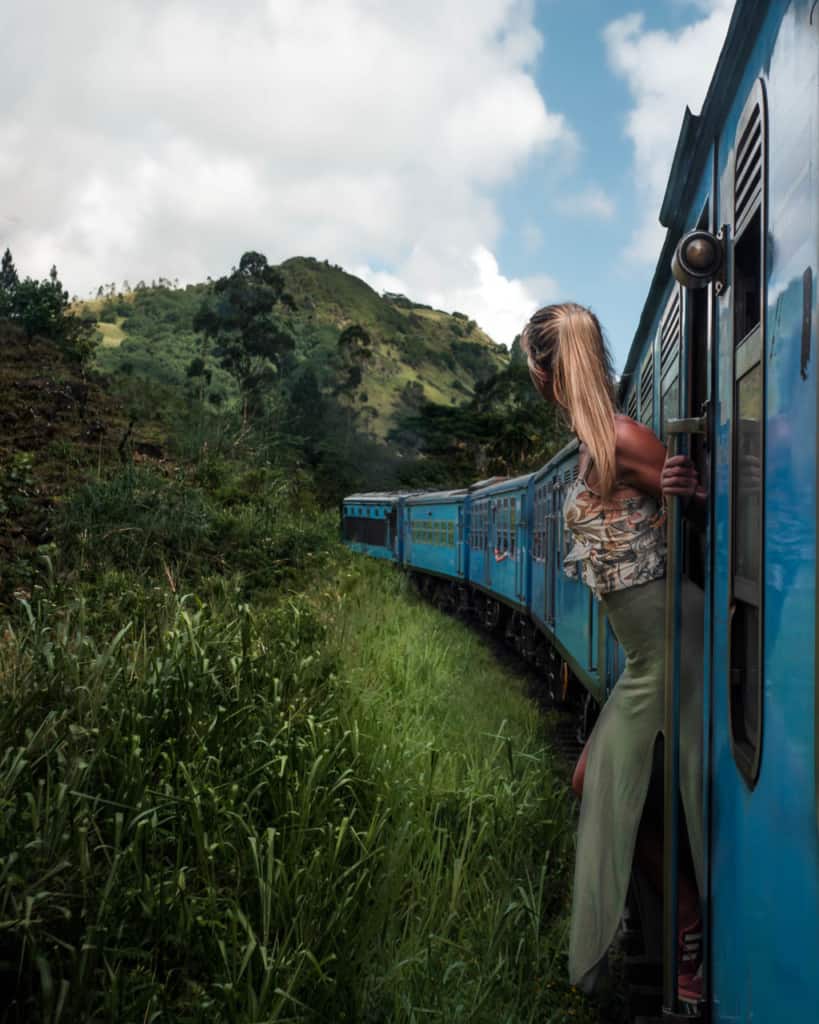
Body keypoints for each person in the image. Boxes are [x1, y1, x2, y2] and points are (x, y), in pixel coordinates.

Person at [520, 302, 706, 1004]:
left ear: (543, 372)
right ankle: (686, 921)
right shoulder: (596, 442)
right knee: (588, 782)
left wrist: (689, 489)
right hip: (647, 656)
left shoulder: (622, 437)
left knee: (594, 784)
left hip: (671, 650)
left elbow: (707, 503)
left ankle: (690, 932)